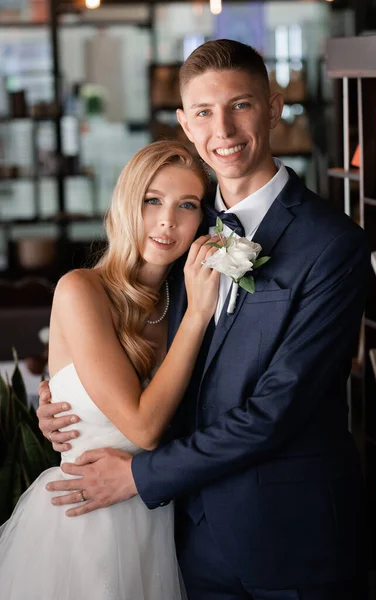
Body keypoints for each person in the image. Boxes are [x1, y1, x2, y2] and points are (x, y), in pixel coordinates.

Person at [37, 40, 370, 600]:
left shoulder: (332, 244)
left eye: (240, 105)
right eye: (204, 112)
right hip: (181, 537)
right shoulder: (181, 226)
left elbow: (276, 412)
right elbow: (124, 328)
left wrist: (140, 476)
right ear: (185, 125)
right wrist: (62, 400)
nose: (225, 128)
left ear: (273, 107)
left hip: (288, 539)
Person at [0, 140, 221, 599]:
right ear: (126, 202)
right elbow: (142, 427)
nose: (167, 221)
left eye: (187, 205)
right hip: (84, 529)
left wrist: (196, 308)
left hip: (161, 524)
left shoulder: (183, 296)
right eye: (152, 200)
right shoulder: (82, 290)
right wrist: (199, 316)